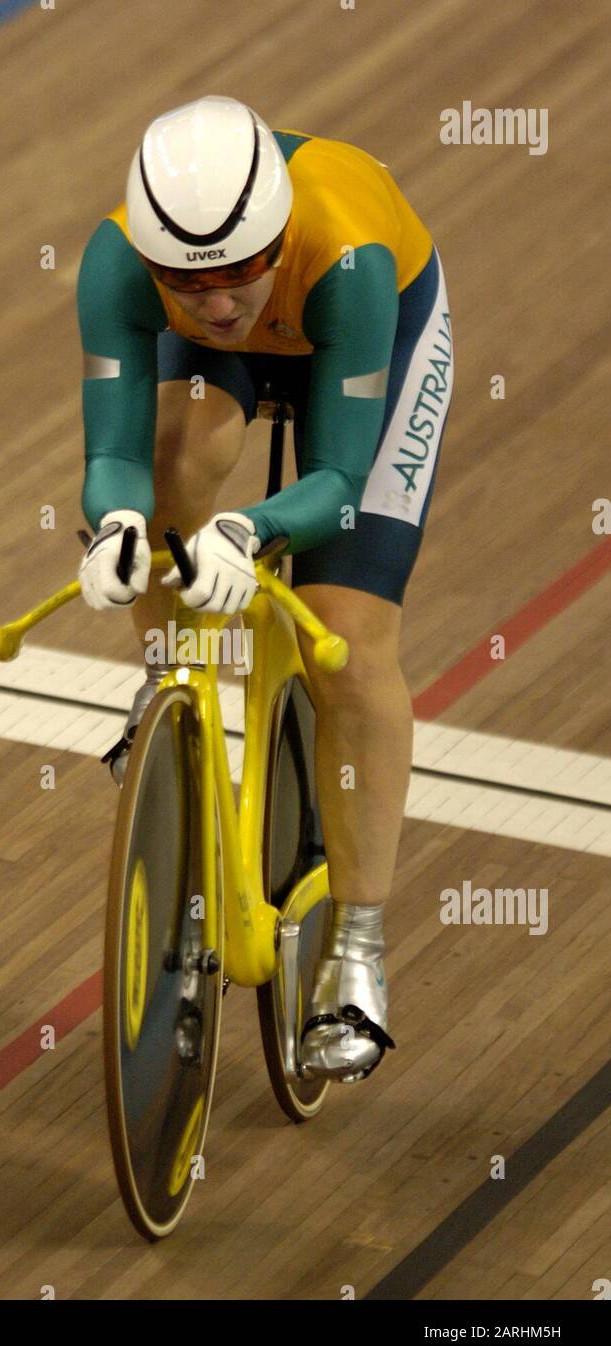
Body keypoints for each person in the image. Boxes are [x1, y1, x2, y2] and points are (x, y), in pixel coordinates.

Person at [75, 95, 453, 1082]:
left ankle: (356, 955)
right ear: (148, 261)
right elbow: (109, 453)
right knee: (168, 470)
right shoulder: (116, 263)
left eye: (238, 271)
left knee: (348, 635)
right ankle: (171, 682)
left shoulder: (348, 258)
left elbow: (333, 482)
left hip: (367, 335)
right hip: (234, 364)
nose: (213, 302)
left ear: (275, 240)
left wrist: (253, 528)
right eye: (184, 283)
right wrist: (117, 525)